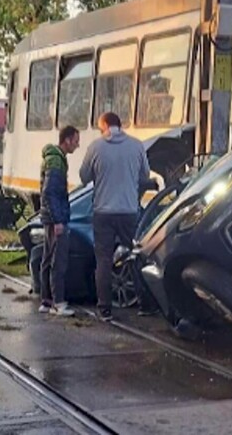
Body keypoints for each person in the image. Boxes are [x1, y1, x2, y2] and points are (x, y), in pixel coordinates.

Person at [79, 112, 152, 322]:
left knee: (103, 259)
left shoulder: (95, 147)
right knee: (135, 255)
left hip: (103, 212)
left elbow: (84, 177)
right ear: (120, 125)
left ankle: (105, 308)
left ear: (104, 126)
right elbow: (145, 175)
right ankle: (144, 303)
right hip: (129, 211)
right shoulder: (137, 146)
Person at [38, 125, 81, 317]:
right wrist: (58, 220)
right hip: (56, 217)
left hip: (49, 216)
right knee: (58, 260)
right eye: (76, 141)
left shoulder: (54, 158)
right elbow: (51, 191)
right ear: (67, 140)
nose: (78, 145)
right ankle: (58, 302)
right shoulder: (56, 161)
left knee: (47, 259)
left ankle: (46, 301)